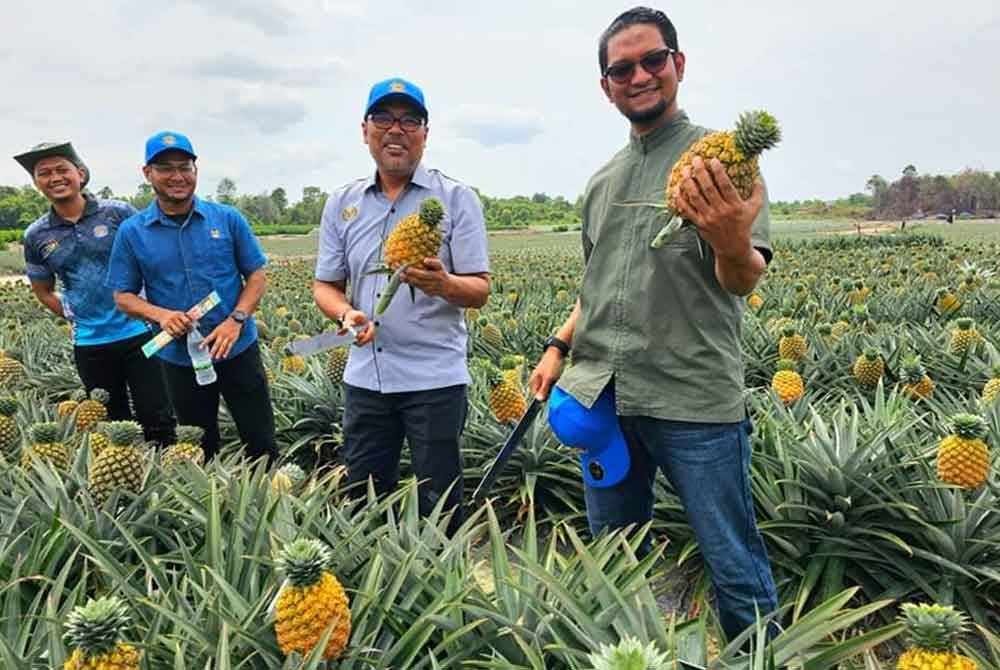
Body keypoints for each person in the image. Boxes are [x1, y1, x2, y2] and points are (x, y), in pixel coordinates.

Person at [528, 7, 778, 641]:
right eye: (621, 68)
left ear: (679, 65)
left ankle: (760, 656)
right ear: (606, 85)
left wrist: (728, 239)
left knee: (734, 564)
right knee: (612, 560)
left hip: (692, 399)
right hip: (603, 401)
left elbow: (743, 279)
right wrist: (559, 344)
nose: (638, 76)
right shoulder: (601, 182)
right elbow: (597, 289)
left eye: (652, 60)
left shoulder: (726, 162)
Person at [313, 78, 490, 533]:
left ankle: (444, 588)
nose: (397, 129)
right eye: (384, 118)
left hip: (434, 379)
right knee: (365, 504)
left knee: (441, 506)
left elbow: (480, 290)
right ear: (365, 130)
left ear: (425, 133)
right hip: (365, 380)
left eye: (410, 120)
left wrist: (443, 283)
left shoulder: (456, 199)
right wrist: (344, 313)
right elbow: (326, 287)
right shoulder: (342, 203)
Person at [106, 131, 276, 463]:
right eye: (166, 168)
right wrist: (162, 316)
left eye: (185, 167)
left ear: (195, 170)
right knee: (198, 441)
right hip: (180, 358)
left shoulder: (227, 218)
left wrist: (236, 320)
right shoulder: (132, 232)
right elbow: (123, 297)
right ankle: (212, 504)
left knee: (260, 436)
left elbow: (256, 276)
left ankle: (272, 499)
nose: (177, 177)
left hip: (237, 346)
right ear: (147, 174)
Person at [14, 142, 175, 445]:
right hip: (90, 343)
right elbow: (43, 289)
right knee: (110, 421)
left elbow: (153, 258)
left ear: (81, 173)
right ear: (36, 183)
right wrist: (77, 316)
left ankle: (167, 479)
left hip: (142, 333)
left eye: (62, 169)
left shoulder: (117, 212)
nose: (55, 178)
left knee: (158, 414)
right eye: (44, 173)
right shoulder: (36, 235)